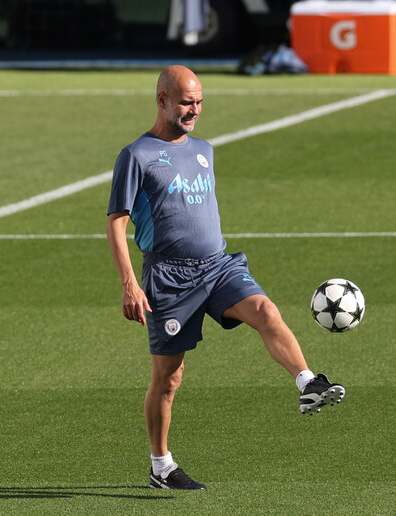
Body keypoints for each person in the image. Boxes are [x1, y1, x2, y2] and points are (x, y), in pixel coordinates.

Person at [106, 65, 345, 490]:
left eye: (199, 102)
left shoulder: (204, 150)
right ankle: (161, 466)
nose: (194, 109)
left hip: (218, 266)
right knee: (168, 379)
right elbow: (117, 222)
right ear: (161, 100)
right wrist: (129, 283)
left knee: (266, 310)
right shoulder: (136, 155)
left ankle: (308, 381)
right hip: (169, 279)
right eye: (185, 102)